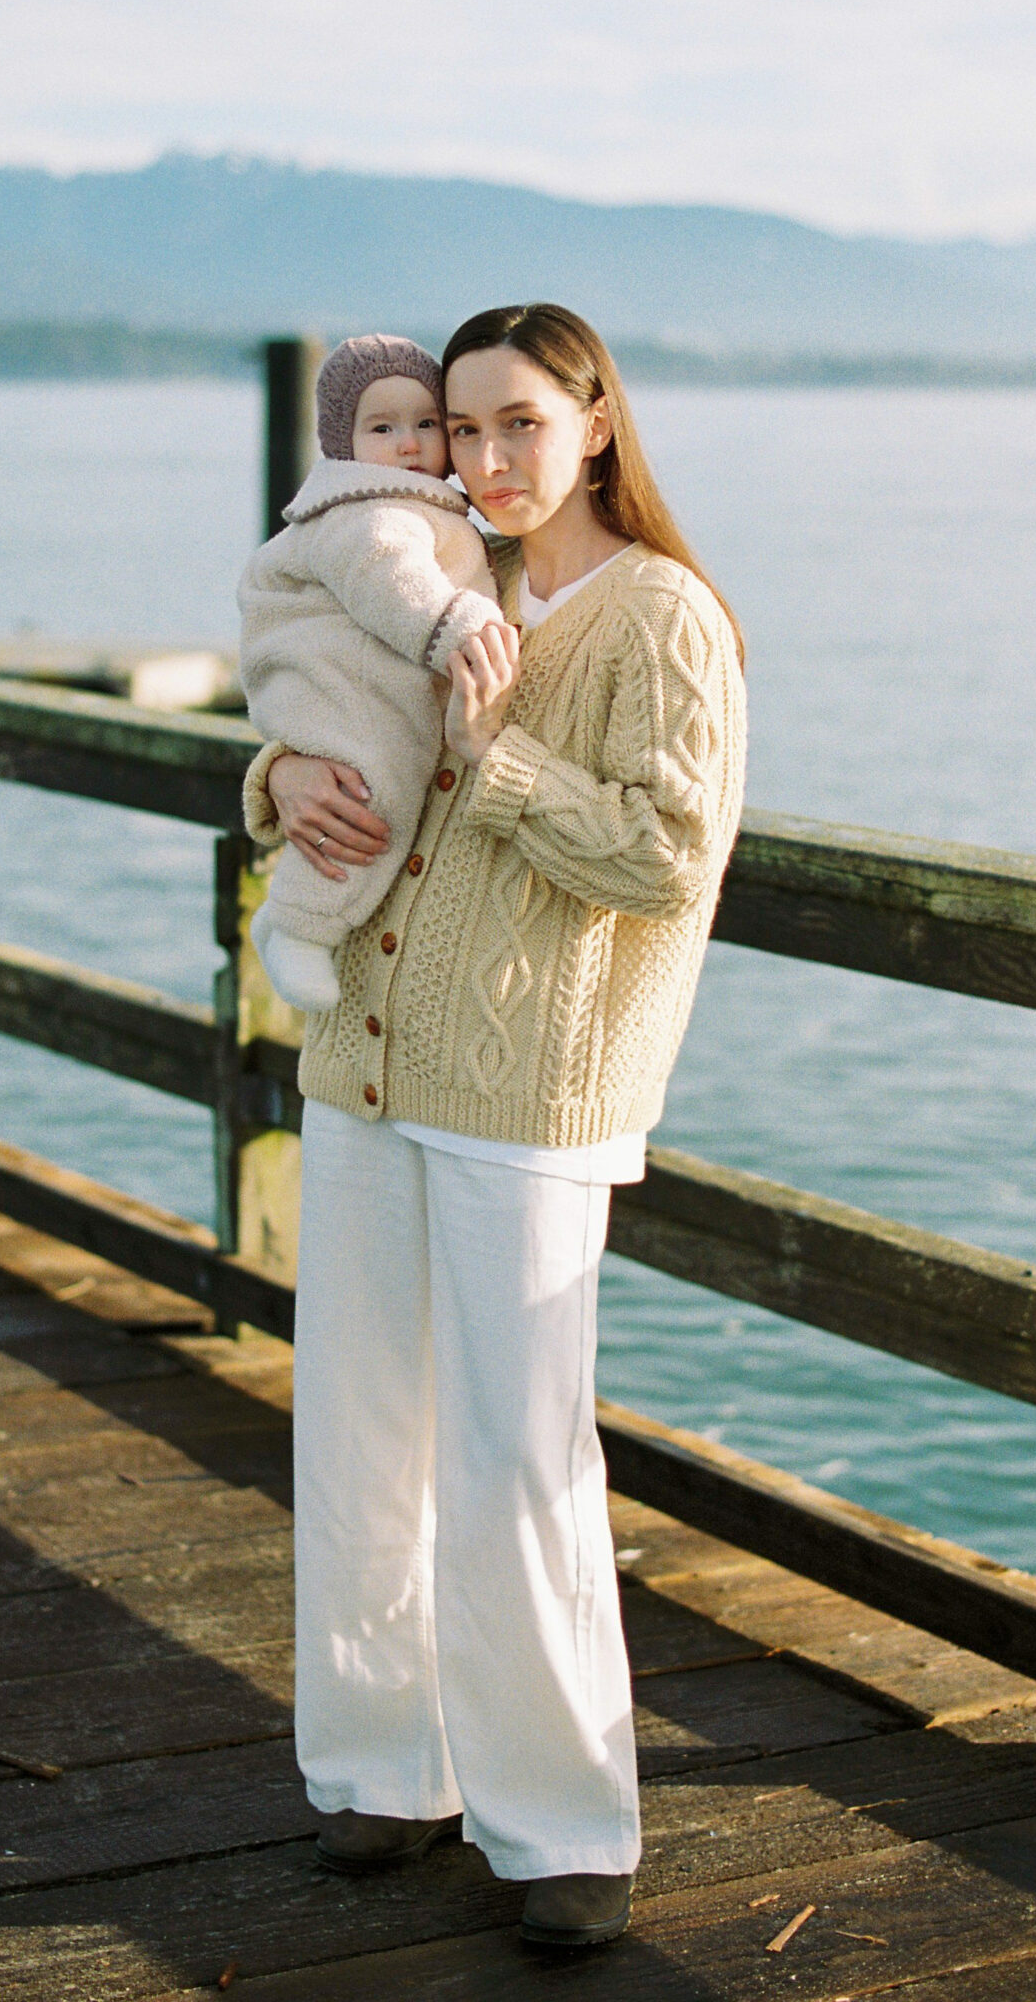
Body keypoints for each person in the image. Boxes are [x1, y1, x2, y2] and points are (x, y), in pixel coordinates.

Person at [242, 304, 746, 1951]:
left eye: (519, 423)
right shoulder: (468, 584)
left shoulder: (660, 618)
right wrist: (274, 791)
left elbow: (671, 856)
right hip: (369, 1066)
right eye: (458, 431)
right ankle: (388, 1774)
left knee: (517, 1460)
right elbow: (346, 729)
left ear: (596, 421)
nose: (482, 459)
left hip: (526, 1094)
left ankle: (562, 1830)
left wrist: (500, 762)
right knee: (358, 1435)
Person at [237, 334, 499, 1009]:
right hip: (348, 686)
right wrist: (456, 627)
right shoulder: (369, 509)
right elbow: (388, 578)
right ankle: (300, 924)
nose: (409, 444)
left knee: (368, 791)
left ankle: (293, 919)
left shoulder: (413, 503)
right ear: (342, 442)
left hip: (371, 687)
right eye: (383, 428)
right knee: (367, 797)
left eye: (426, 424)